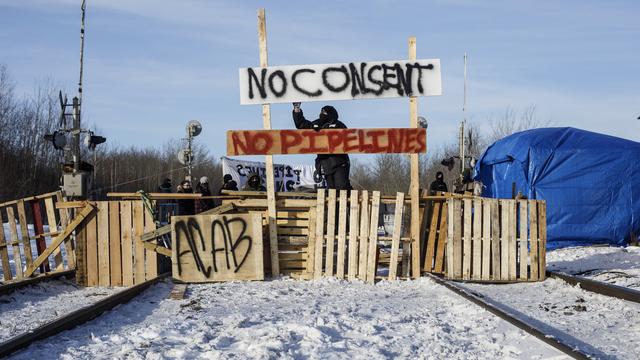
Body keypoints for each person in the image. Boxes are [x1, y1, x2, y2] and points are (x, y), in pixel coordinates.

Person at [292, 102, 352, 190]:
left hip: (339, 162)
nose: (321, 114)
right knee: (332, 190)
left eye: (324, 112)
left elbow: (348, 140)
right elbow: (302, 125)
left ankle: (349, 202)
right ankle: (334, 204)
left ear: (331, 114)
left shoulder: (339, 125)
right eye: (321, 112)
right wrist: (297, 109)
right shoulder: (317, 124)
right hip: (325, 163)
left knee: (342, 187)